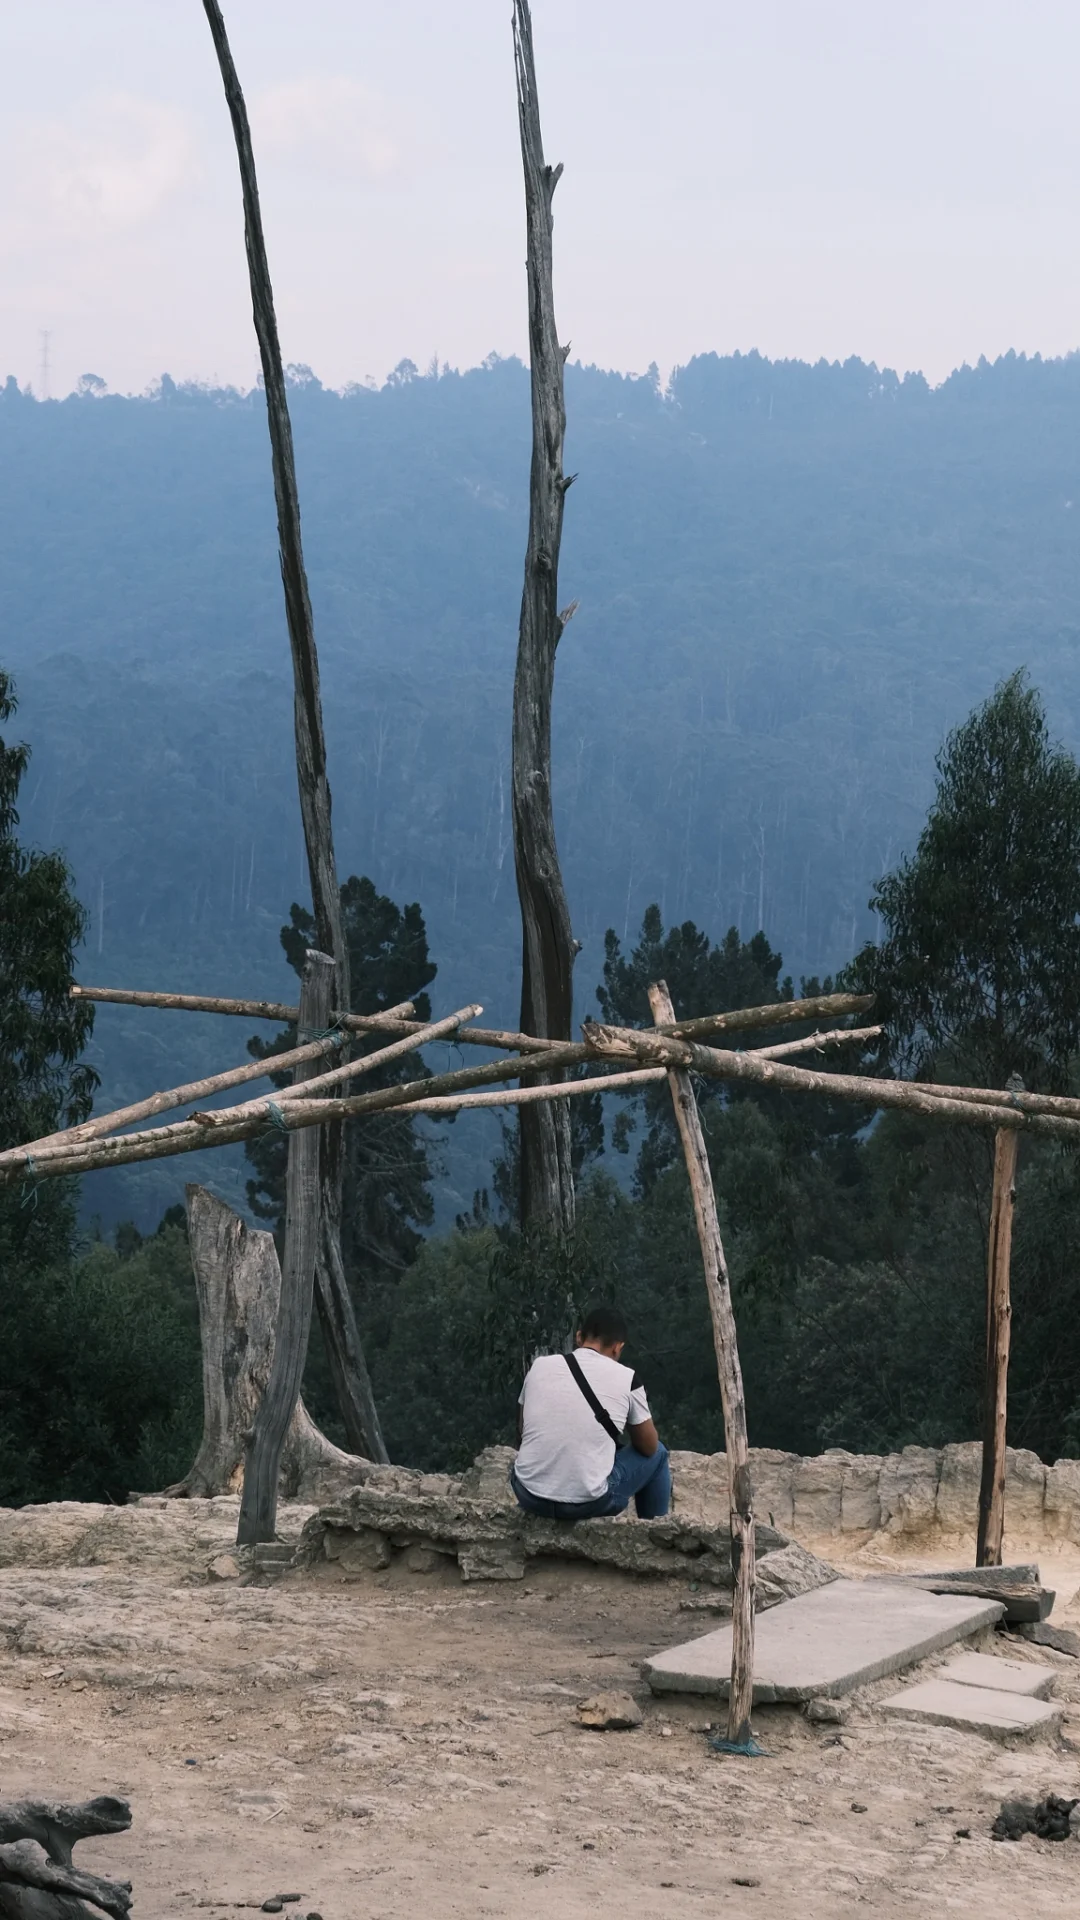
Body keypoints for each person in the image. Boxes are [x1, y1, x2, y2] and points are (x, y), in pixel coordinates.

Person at [510, 1304, 671, 1521]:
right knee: (659, 1454)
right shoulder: (628, 1378)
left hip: (528, 1494)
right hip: (586, 1504)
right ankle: (656, 1538)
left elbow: (522, 1430)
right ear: (617, 1347)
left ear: (579, 1337)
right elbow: (648, 1447)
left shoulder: (539, 1366)